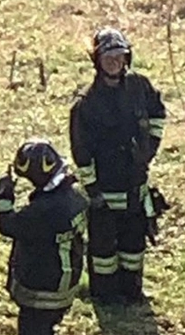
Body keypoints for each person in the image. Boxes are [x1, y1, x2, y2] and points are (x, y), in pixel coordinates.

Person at [0, 138, 107, 335]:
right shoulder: (75, 196)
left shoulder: (44, 212)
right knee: (46, 333)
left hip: (43, 285)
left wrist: (3, 199)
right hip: (66, 281)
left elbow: (8, 226)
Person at [69, 26, 167, 305]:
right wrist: (93, 191)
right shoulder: (86, 104)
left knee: (134, 245)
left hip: (135, 185)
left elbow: (158, 112)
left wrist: (151, 147)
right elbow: (81, 153)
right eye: (108, 57)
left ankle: (132, 290)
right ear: (97, 61)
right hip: (105, 190)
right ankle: (105, 294)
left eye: (120, 56)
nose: (115, 62)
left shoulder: (139, 87)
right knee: (103, 250)